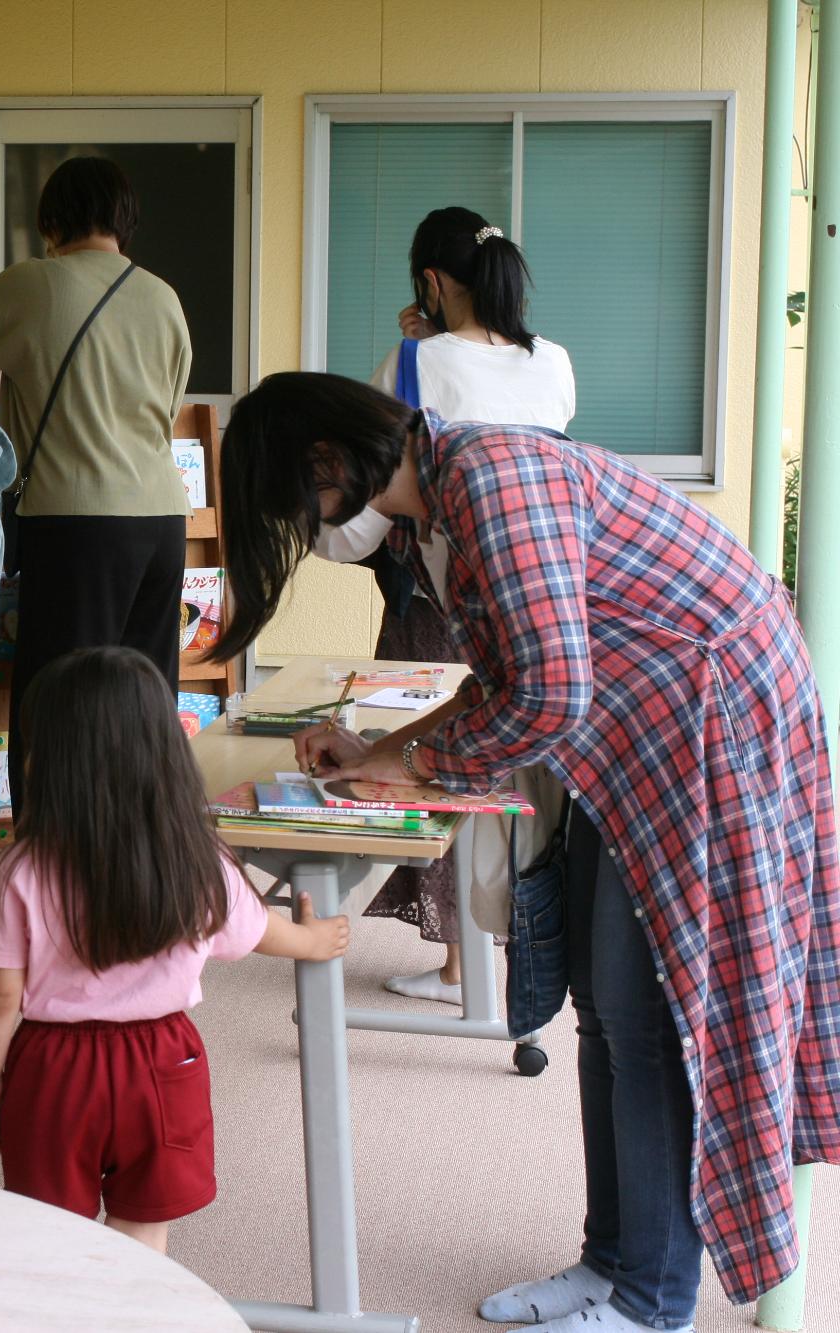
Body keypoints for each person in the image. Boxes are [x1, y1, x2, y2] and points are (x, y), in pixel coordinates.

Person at [212, 372, 840, 1332]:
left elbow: (552, 696)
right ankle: (608, 1261)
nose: (313, 532)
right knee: (599, 1001)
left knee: (643, 1012)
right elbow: (503, 675)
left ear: (327, 466)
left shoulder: (492, 483)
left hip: (710, 722)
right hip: (636, 732)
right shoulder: (444, 503)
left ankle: (652, 1298)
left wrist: (417, 761)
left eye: (300, 508)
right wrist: (382, 751)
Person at [0, 646, 350, 1254]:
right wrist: (311, 939)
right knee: (143, 1224)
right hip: (163, 1061)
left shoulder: (21, 868)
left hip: (52, 1070)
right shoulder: (197, 860)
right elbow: (254, 932)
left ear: (48, 761)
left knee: (50, 1233)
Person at [313, 206, 577, 1006]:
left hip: (443, 586)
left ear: (430, 281)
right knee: (506, 770)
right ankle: (499, 959)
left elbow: (357, 516)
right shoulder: (556, 361)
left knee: (437, 771)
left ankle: (463, 968)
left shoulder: (412, 362)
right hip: (540, 591)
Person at [0, 156, 192, 813]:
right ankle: (145, 859)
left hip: (79, 522)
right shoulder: (163, 297)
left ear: (51, 222)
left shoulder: (35, 284)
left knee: (57, 705)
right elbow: (157, 409)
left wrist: (14, 373)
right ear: (124, 220)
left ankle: (53, 872)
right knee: (144, 701)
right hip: (163, 520)